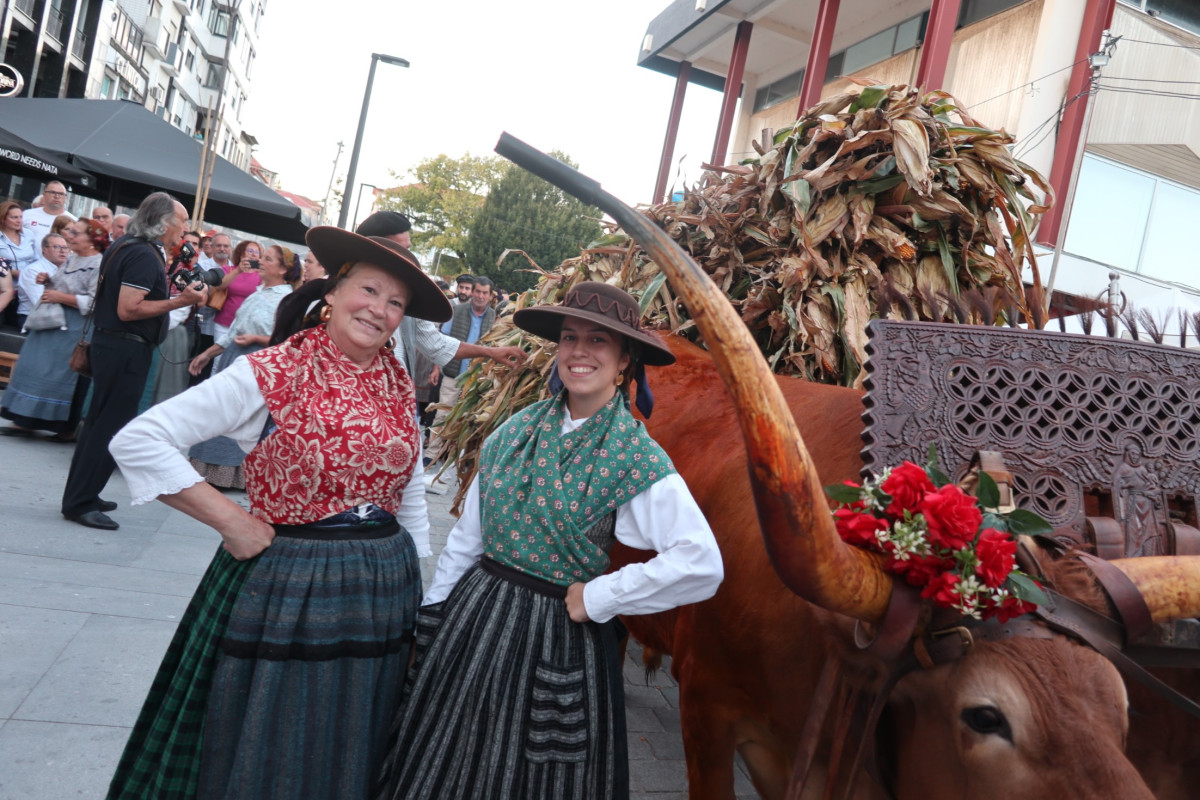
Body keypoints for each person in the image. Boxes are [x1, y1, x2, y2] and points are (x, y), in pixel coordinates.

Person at [105, 226, 451, 800]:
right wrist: (232, 521)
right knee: (280, 737)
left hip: (382, 591)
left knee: (353, 735)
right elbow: (139, 440)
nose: (380, 310)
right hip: (294, 587)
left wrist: (416, 587)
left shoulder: (396, 381)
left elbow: (410, 490)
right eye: (369, 290)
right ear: (333, 292)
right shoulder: (274, 370)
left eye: (396, 303)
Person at [373, 282, 723, 800]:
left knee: (538, 776)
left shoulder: (635, 456)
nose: (580, 351)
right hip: (476, 621)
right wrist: (433, 618)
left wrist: (601, 597)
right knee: (446, 761)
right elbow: (467, 540)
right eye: (570, 337)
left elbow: (702, 563)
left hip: (557, 636)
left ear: (625, 360)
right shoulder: (513, 432)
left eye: (599, 340)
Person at [59, 193, 207, 531]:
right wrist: (181, 301)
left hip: (115, 346)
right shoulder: (141, 253)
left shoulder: (129, 245)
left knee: (98, 424)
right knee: (108, 427)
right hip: (124, 348)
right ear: (165, 222)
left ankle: (82, 494)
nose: (185, 229)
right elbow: (129, 309)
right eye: (182, 221)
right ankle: (81, 502)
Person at [354, 211, 524, 385]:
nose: (407, 259)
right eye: (400, 250)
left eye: (408, 250)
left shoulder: (410, 305)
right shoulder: (345, 297)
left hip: (392, 394)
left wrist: (491, 352)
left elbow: (437, 344)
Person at [185, 244, 298, 489]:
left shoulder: (287, 300)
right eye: (262, 258)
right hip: (234, 359)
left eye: (268, 259)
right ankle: (206, 468)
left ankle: (229, 474)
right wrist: (207, 354)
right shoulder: (258, 293)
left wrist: (257, 339)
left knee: (239, 419)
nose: (261, 262)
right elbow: (233, 332)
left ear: (283, 269)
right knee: (220, 413)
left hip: (258, 365)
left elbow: (289, 341)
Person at [1, 222, 108, 439]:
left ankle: (64, 428)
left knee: (61, 375)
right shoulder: (73, 259)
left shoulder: (98, 265)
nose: (70, 236)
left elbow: (96, 302)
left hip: (73, 328)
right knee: (32, 366)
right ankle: (24, 420)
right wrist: (48, 281)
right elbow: (63, 284)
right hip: (51, 323)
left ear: (92, 240)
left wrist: (62, 297)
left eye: (76, 233)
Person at [428, 275, 496, 458]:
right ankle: (431, 454)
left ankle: (450, 455)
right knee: (442, 414)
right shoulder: (456, 311)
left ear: (490, 296)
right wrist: (436, 369)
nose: (480, 296)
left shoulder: (493, 317)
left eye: (485, 293)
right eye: (478, 291)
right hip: (453, 374)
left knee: (465, 418)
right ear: (472, 292)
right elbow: (441, 341)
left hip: (475, 380)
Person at [151, 231, 203, 405]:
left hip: (170, 332)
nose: (189, 248)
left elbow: (182, 308)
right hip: (153, 327)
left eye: (194, 244)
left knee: (164, 386)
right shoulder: (163, 264)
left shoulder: (191, 274)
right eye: (186, 243)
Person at [211, 238, 262, 341]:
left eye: (257, 252)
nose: (254, 254)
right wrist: (238, 270)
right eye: (250, 251)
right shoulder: (228, 269)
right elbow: (219, 286)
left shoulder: (261, 275)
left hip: (246, 327)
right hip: (224, 323)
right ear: (241, 254)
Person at [16, 232, 70, 323]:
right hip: (34, 318)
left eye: (65, 247)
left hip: (62, 316)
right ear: (44, 249)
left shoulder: (68, 269)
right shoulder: (33, 270)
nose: (62, 251)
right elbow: (42, 302)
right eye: (57, 247)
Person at [22, 181, 75, 251]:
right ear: (44, 194)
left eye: (61, 194)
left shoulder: (73, 221)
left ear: (65, 197)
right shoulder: (27, 215)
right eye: (53, 192)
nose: (57, 196)